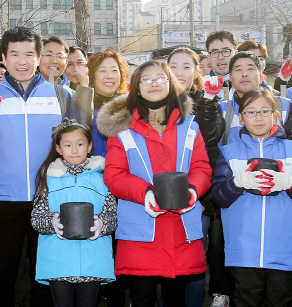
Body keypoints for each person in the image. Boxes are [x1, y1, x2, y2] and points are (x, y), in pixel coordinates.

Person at [0, 27, 80, 307]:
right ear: (4, 58)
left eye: (29, 54)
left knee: (45, 274)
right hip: (3, 199)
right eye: (14, 54)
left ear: (39, 57)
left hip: (49, 197)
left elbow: (77, 146)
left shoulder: (61, 96)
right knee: (2, 275)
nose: (22, 61)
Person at [97, 60, 212, 307]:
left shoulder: (189, 125)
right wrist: (145, 193)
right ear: (136, 87)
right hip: (142, 225)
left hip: (181, 227)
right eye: (146, 79)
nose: (154, 83)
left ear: (171, 83)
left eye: (161, 78)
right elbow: (114, 175)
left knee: (174, 296)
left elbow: (201, 168)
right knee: (142, 297)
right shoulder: (123, 129)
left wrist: (191, 190)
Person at [211, 88, 292, 307]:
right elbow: (218, 197)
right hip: (243, 248)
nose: (258, 117)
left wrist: (289, 184)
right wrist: (237, 183)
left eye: (265, 111)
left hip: (284, 247)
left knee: (280, 299)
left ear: (275, 115)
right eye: (251, 112)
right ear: (241, 117)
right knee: (245, 299)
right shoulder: (229, 152)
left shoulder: (290, 150)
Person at [31, 118, 116, 307]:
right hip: (58, 261)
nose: (75, 150)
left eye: (80, 144)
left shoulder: (103, 179)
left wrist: (101, 224)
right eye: (68, 145)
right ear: (59, 149)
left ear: (90, 146)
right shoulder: (49, 179)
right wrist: (52, 223)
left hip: (93, 261)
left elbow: (112, 216)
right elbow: (36, 218)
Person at [168, 47, 225, 307]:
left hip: (195, 198)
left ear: (196, 71)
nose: (180, 72)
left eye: (186, 66)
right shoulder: (152, 99)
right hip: (157, 195)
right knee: (161, 263)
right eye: (174, 66)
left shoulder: (206, 101)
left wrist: (211, 103)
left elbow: (211, 139)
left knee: (193, 261)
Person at [220, 51, 292, 146]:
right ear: (231, 79)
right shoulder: (221, 109)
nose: (244, 74)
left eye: (250, 68)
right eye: (238, 70)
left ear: (261, 77)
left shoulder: (285, 106)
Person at [80, 49, 129, 157]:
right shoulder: (84, 104)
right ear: (92, 75)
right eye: (102, 71)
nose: (109, 76)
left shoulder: (130, 105)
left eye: (114, 70)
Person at [206, 30, 238, 100]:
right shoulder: (201, 86)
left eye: (226, 51)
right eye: (215, 52)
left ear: (236, 53)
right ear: (208, 57)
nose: (220, 57)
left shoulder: (246, 83)